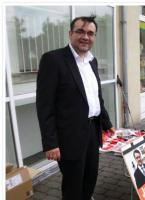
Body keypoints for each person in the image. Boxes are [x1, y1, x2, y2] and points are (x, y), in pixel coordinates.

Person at [36, 16, 115, 200]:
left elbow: (95, 97)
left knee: (90, 178)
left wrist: (107, 123)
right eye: (80, 31)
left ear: (94, 37)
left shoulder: (92, 61)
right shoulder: (53, 60)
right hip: (69, 138)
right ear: (70, 33)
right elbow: (44, 105)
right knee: (73, 185)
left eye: (90, 33)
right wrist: (50, 143)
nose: (85, 37)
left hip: (92, 132)